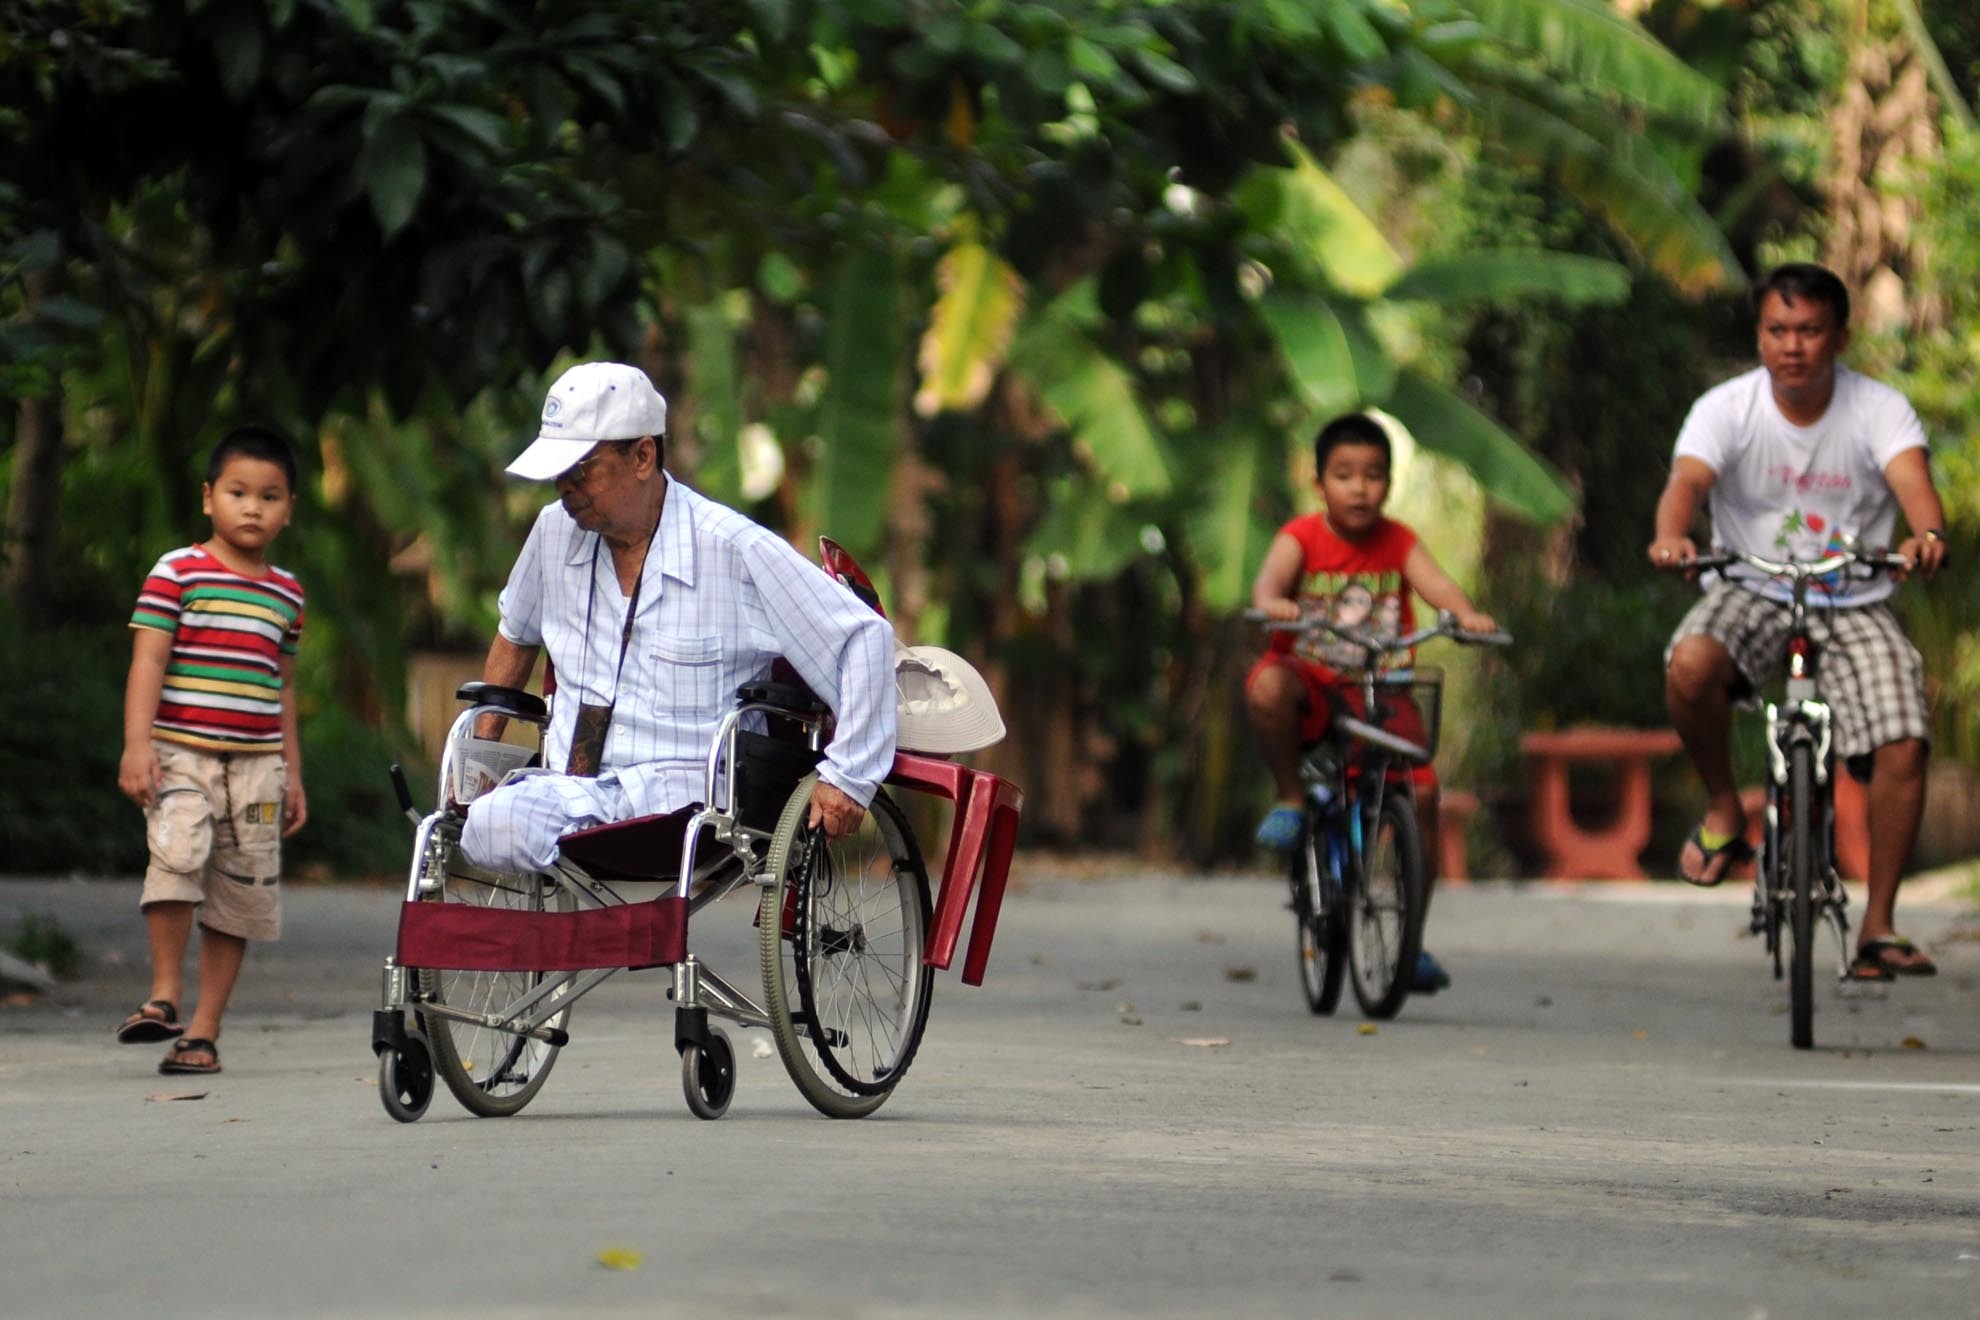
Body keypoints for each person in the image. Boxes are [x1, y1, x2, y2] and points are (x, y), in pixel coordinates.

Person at [459, 361, 895, 875]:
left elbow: (863, 637)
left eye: (581, 469)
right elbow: (514, 636)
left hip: (690, 805)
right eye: (558, 472)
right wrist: (478, 760)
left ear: (643, 455)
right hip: (576, 792)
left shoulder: (731, 547)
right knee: (484, 826)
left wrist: (849, 776)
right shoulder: (554, 532)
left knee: (589, 829)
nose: (564, 486)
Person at [1650, 262, 1948, 979]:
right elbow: (1686, 483)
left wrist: (1924, 537)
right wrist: (1673, 536)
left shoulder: (1879, 409)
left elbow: (1914, 485)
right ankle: (1725, 810)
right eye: (1777, 330)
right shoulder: (1727, 408)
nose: (1793, 346)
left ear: (1840, 337)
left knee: (1904, 737)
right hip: (1751, 586)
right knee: (1689, 661)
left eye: (1810, 330)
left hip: (1853, 598)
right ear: (1759, 336)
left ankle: (1877, 925)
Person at [1245, 412, 1497, 993]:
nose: (1360, 487)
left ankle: (1411, 939)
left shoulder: (1399, 541)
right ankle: (1291, 797)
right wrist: (1275, 604)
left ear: (1389, 483)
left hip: (1377, 692)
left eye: (1374, 475)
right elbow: (1268, 585)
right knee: (1265, 687)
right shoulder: (1300, 537)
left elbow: (1440, 591)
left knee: (1426, 794)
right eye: (1344, 474)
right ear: (1320, 484)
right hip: (1310, 685)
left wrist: (1463, 615)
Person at [115, 426, 308, 1075]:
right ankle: (165, 993)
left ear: (289, 509)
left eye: (269, 496)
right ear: (208, 498)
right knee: (176, 855)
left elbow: (282, 689)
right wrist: (136, 745)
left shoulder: (287, 595)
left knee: (241, 891)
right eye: (237, 492)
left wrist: (294, 775)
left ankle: (203, 1031)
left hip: (258, 769)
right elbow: (148, 663)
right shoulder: (177, 573)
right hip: (180, 756)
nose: (252, 507)